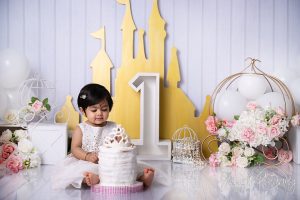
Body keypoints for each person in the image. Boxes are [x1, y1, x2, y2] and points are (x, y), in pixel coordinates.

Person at [52, 83, 154, 189]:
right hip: (87, 162)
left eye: (104, 109)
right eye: (94, 110)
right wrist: (87, 156)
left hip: (110, 163)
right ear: (83, 111)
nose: (99, 113)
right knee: (79, 173)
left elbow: (121, 143)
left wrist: (124, 146)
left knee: (126, 170)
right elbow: (75, 148)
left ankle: (143, 178)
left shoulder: (114, 127)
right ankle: (93, 179)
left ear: (109, 108)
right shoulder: (81, 128)